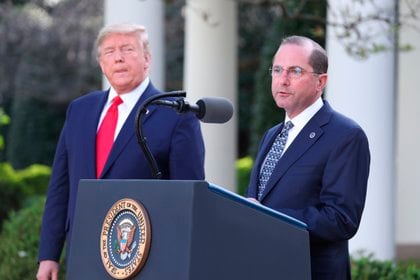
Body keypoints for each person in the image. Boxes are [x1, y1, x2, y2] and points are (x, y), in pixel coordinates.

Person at [36, 23, 205, 279]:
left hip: (143, 257)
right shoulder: (79, 110)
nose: (118, 57)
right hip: (83, 251)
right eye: (110, 51)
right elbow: (60, 188)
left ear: (147, 58)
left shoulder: (176, 115)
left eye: (128, 49)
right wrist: (49, 254)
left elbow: (188, 196)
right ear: (101, 63)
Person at [246, 35, 370, 280]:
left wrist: (267, 217)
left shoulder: (346, 136)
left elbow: (340, 219)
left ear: (320, 81)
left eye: (295, 71)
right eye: (278, 70)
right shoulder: (272, 135)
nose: (283, 79)